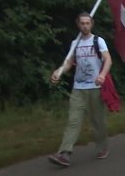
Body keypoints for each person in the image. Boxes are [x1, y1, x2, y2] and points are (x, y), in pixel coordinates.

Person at [48, 12, 113, 167]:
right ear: (78, 24)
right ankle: (64, 154)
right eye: (82, 23)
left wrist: (102, 75)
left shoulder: (98, 41)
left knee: (98, 122)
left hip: (95, 88)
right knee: (73, 121)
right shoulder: (75, 43)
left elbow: (108, 59)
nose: (85, 26)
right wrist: (59, 72)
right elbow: (69, 63)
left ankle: (102, 147)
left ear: (92, 24)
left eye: (87, 23)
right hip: (78, 88)